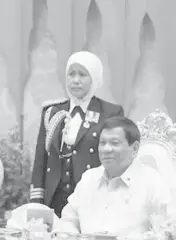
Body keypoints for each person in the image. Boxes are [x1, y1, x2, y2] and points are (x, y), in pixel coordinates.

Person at [30, 51, 124, 217]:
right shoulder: (52, 112)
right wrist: (37, 203)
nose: (75, 80)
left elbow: (116, 160)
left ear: (94, 78)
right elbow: (41, 161)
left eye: (82, 75)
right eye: (71, 74)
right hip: (54, 200)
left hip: (92, 200)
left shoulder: (110, 112)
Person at [56, 116, 175, 236]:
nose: (106, 149)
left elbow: (168, 230)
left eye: (114, 143)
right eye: (102, 143)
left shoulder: (152, 182)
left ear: (134, 148)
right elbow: (68, 220)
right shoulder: (89, 178)